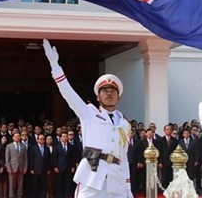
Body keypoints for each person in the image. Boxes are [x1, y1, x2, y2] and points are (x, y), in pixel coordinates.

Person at [42, 39, 133, 197]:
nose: (109, 93)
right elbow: (68, 93)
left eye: (113, 91)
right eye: (105, 91)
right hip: (92, 174)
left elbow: (123, 156)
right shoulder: (88, 113)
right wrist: (55, 67)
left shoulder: (124, 124)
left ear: (119, 97)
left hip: (116, 179)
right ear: (98, 97)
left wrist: (127, 188)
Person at [5, 131, 28, 198]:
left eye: (18, 136)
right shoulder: (9, 146)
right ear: (13, 137)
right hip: (12, 168)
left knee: (20, 184)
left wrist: (25, 168)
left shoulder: (23, 146)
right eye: (16, 136)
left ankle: (19, 196)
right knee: (12, 184)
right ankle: (11, 196)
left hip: (21, 167)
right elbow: (7, 159)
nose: (17, 137)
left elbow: (25, 158)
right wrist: (8, 168)